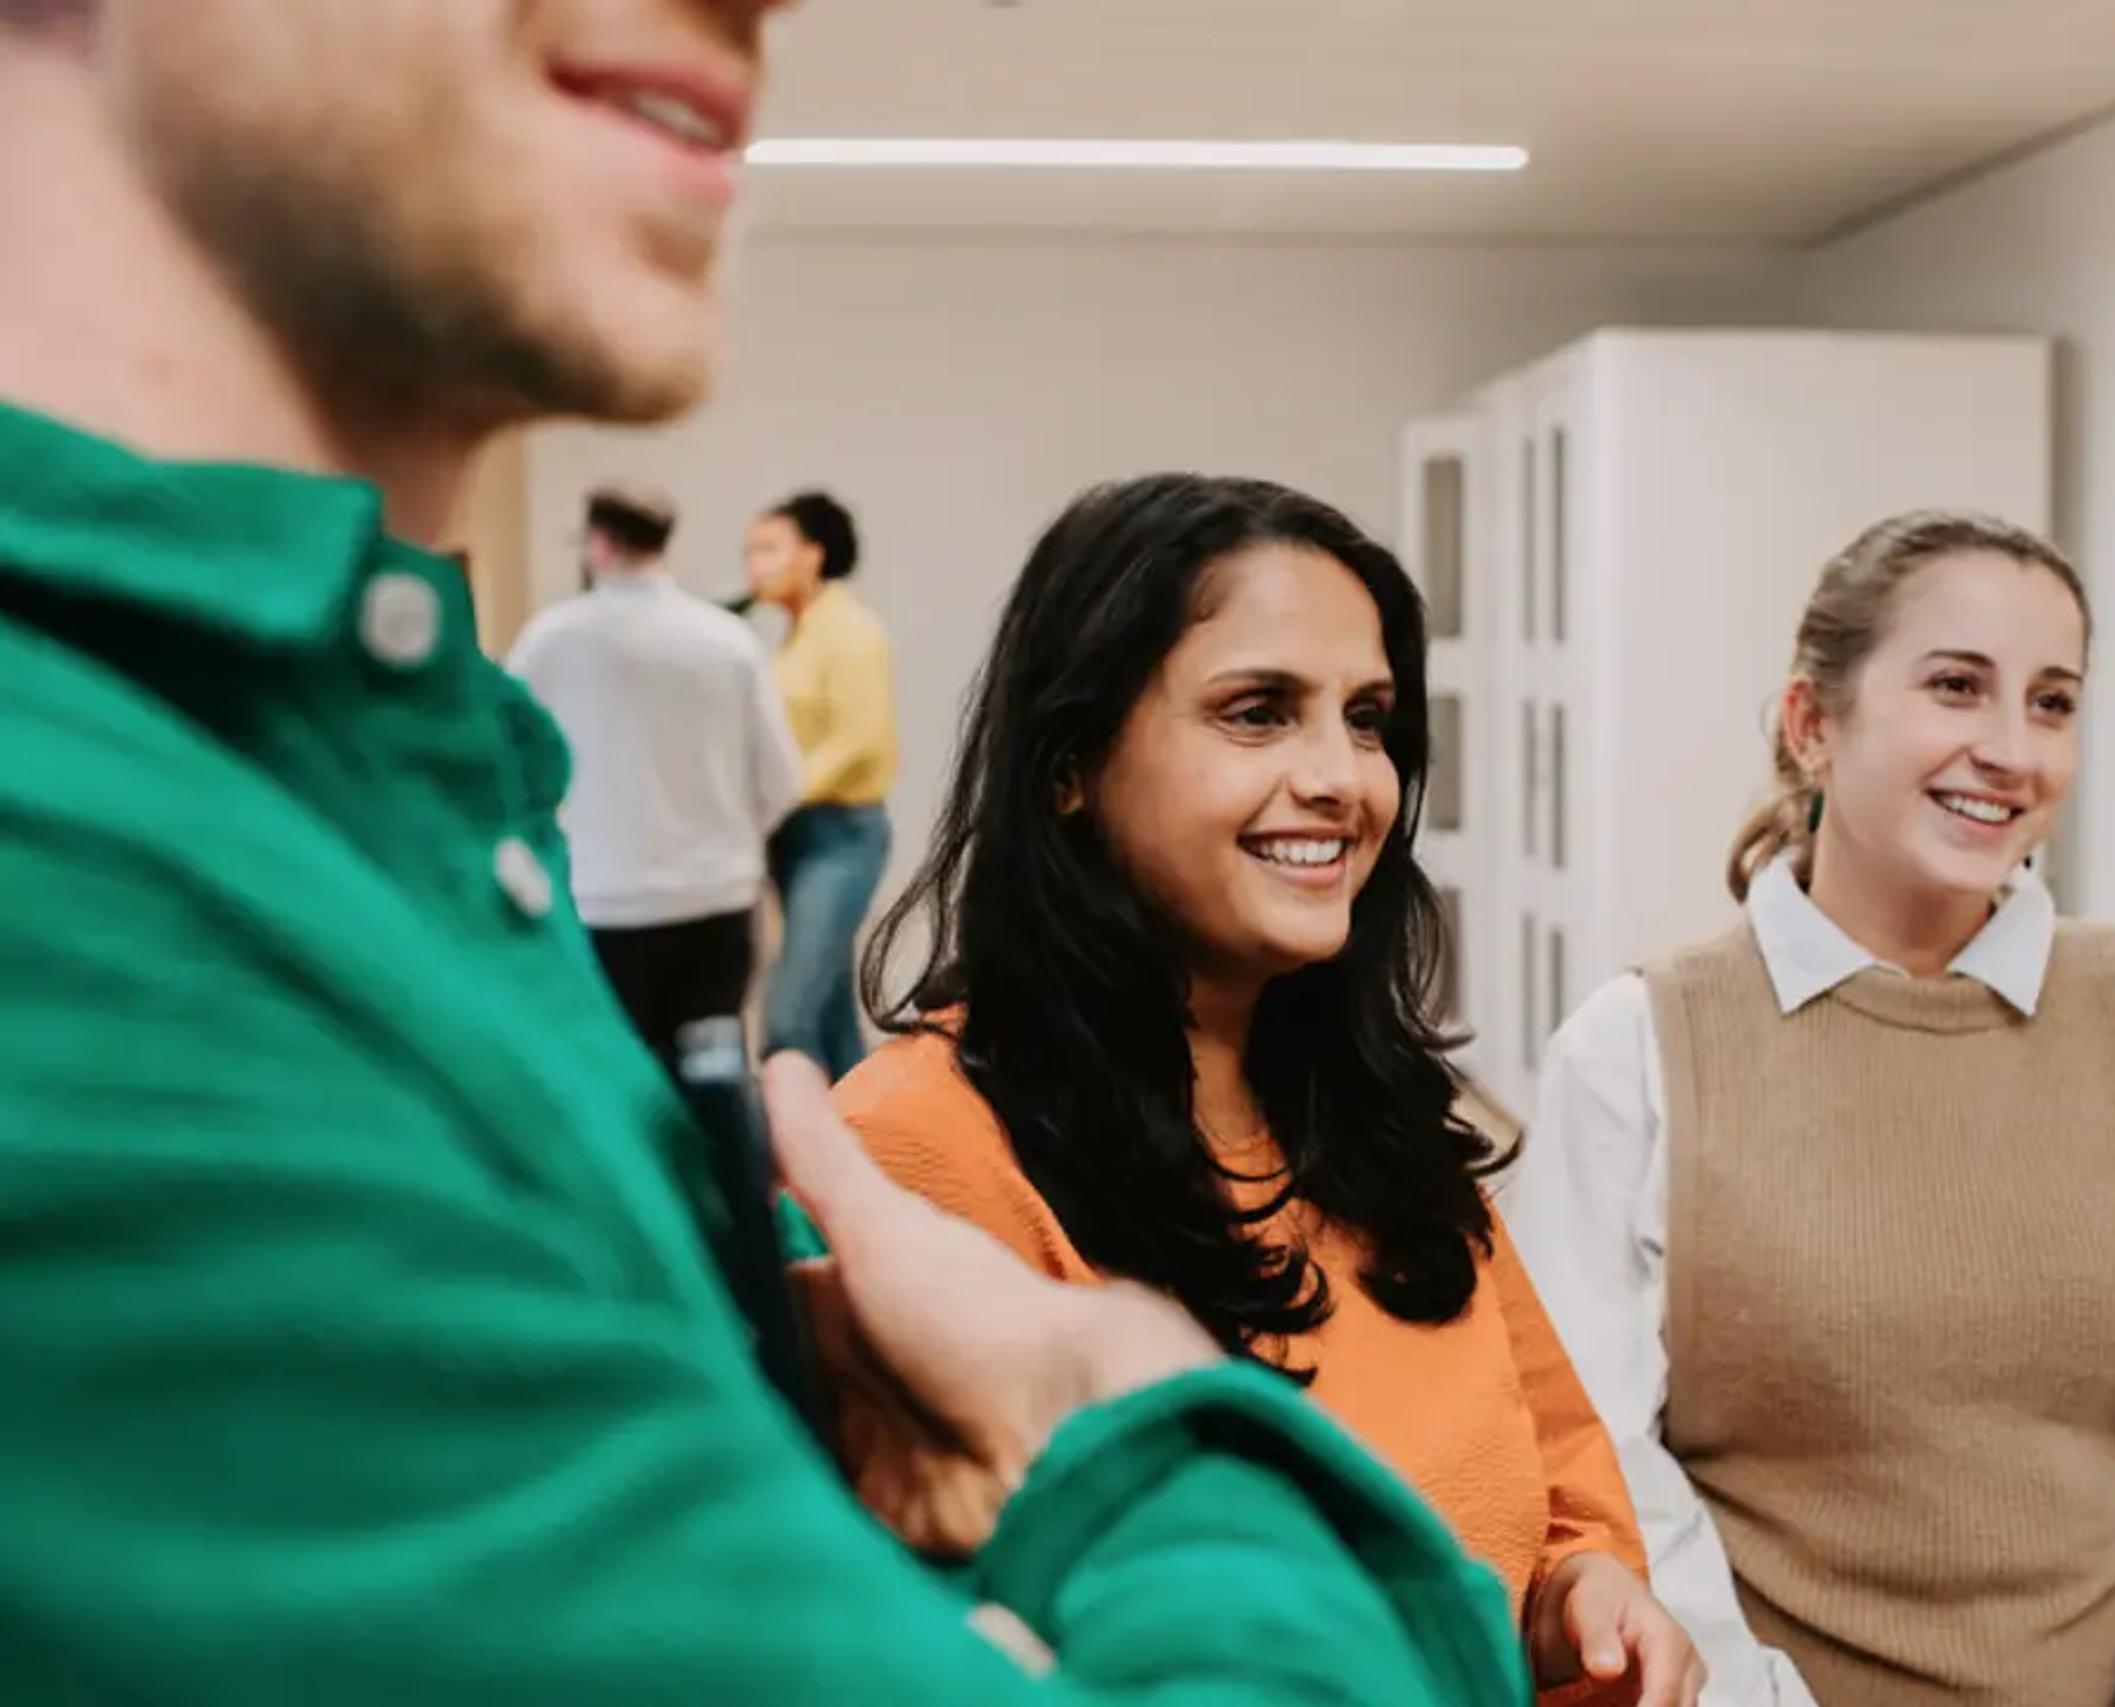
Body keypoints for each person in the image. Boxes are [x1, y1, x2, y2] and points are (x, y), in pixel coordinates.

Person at [0, 4, 1531, 1702]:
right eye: (1258, 711)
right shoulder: (80, 913)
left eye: (1369, 718)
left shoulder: (396, 806)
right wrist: (1118, 1403)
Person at [822, 473, 1707, 1707]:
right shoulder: (915, 1153)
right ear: (1070, 763)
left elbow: (1559, 1479)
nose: (1343, 777)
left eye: (1368, 718)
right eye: (1257, 713)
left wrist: (1580, 1596)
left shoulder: (1383, 1119)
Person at [1503, 512, 2115, 1707]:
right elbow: (1596, 1467)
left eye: (2053, 702)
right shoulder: (1635, 1054)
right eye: (1956, 687)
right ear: (1811, 724)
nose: (2011, 749)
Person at [508, 483, 801, 1075]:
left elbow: (505, 759)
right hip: (716, 901)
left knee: (620, 1080)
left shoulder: (550, 639)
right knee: (714, 1078)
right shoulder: (728, 639)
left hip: (603, 903)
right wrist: (729, 840)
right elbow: (783, 781)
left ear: (599, 543)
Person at [745, 489, 898, 1076]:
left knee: (788, 1019)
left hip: (839, 836)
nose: (754, 564)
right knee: (829, 1014)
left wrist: (772, 797)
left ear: (812, 554)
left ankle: (792, 1155)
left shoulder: (851, 631)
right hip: (794, 833)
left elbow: (860, 740)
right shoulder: (794, 633)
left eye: (768, 548)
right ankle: (862, 1146)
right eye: (750, 551)